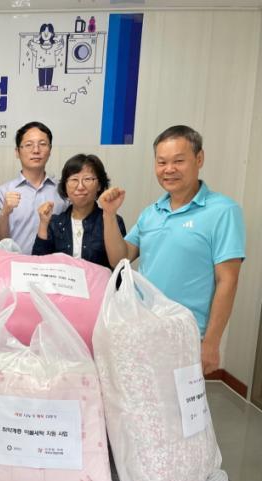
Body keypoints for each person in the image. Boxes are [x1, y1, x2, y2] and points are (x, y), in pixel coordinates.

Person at [100, 125, 246, 374]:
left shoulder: (223, 211)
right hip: (142, 329)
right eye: (162, 162)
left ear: (199, 159)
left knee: (180, 400)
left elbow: (228, 281)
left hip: (186, 336)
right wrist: (109, 215)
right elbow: (120, 258)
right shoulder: (151, 213)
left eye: (178, 161)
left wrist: (211, 343)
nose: (169, 169)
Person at [32, 153, 125, 269]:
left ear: (99, 185)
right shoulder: (55, 223)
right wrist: (43, 224)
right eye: (74, 179)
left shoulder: (112, 221)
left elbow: (120, 267)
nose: (80, 187)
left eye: (87, 179)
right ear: (65, 186)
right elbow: (38, 264)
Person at [0, 121, 66, 254]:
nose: (36, 150)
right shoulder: (3, 192)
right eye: (28, 145)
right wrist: (5, 212)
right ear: (17, 152)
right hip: (15, 264)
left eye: (42, 144)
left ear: (50, 150)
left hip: (53, 265)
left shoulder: (63, 191)